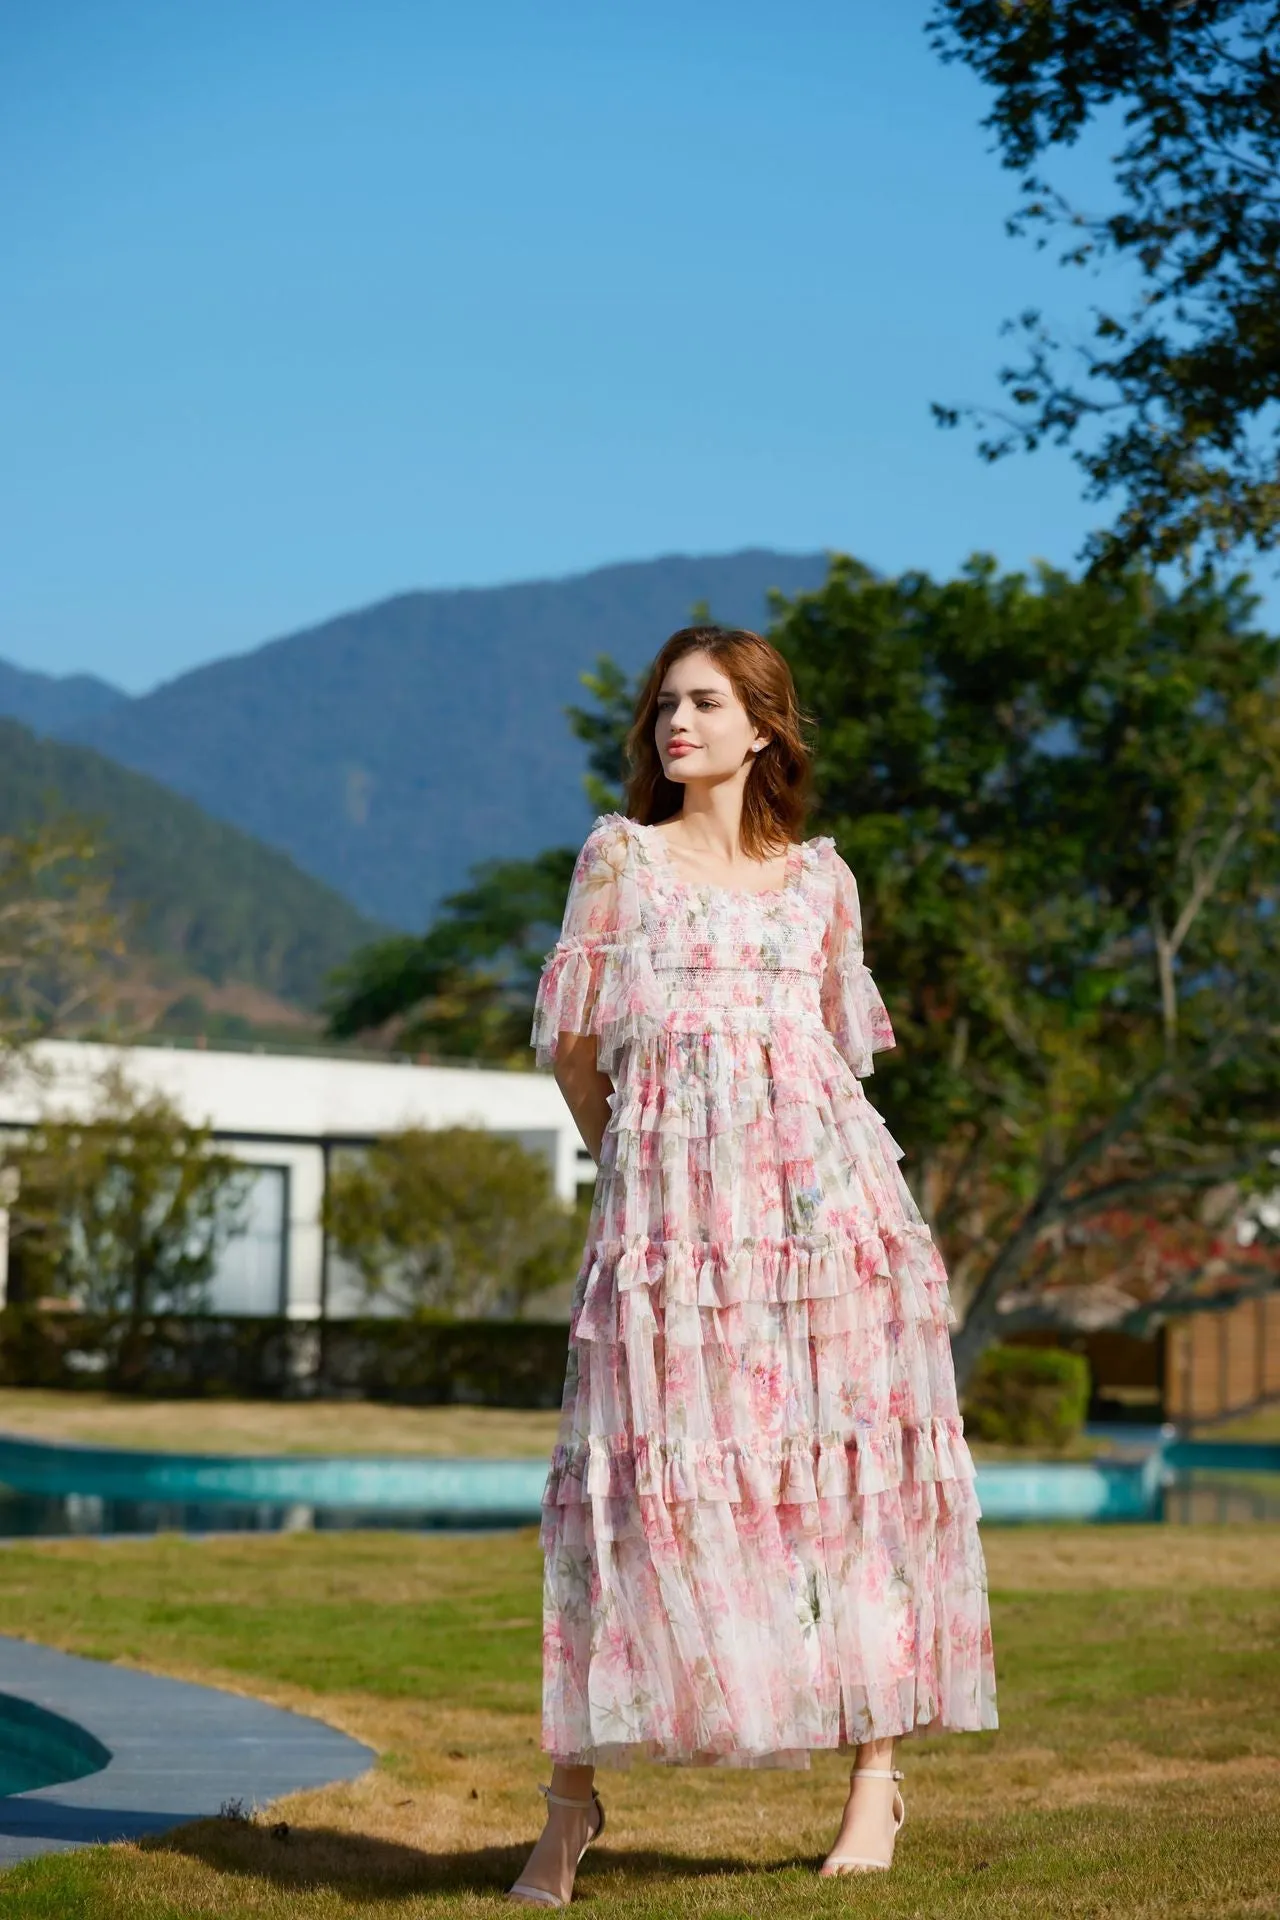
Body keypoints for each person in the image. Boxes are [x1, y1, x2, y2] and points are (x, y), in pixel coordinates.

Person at [507, 625, 997, 1908]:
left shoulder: (818, 883)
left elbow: (833, 1058)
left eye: (704, 703)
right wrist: (632, 1173)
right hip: (670, 1239)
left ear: (762, 729)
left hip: (827, 1231)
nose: (676, 723)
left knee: (850, 1495)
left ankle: (873, 1778)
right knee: (624, 1497)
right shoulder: (620, 862)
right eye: (664, 704)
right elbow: (571, 1049)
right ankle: (568, 1803)